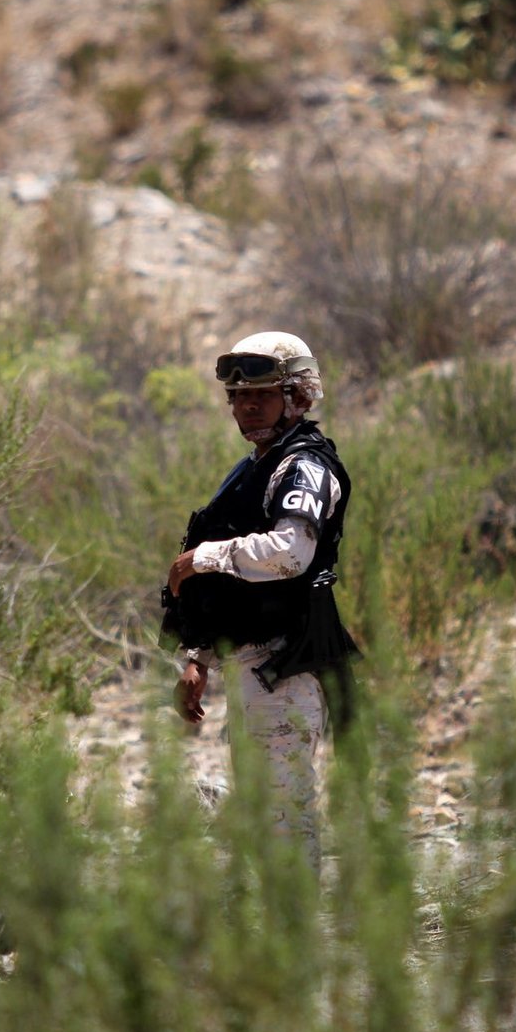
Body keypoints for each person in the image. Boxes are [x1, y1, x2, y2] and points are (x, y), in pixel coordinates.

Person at [160, 330, 357, 871]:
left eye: (262, 395)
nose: (246, 406)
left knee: (283, 813)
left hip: (285, 666)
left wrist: (204, 557)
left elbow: (292, 552)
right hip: (252, 664)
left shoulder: (304, 466)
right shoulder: (254, 469)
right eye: (238, 396)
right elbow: (234, 585)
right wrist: (198, 658)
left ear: (296, 396)